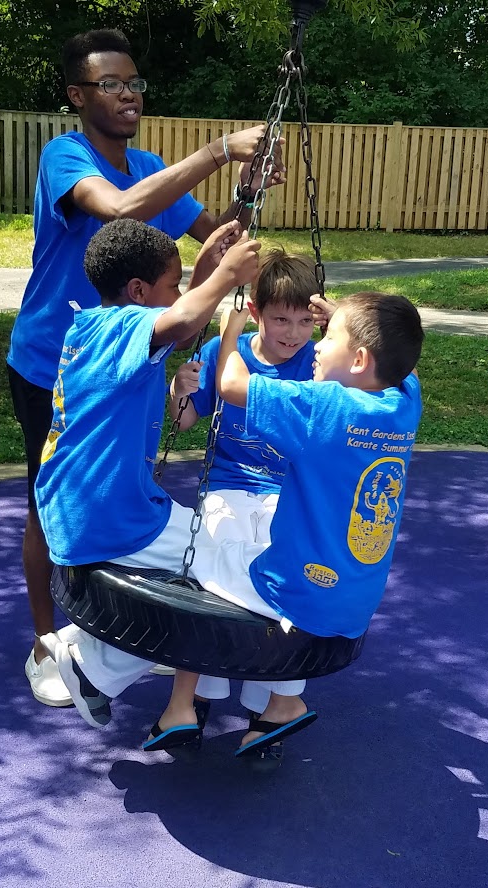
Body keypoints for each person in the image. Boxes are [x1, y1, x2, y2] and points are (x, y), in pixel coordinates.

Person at [12, 28, 281, 708]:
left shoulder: (151, 163)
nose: (128, 94)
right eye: (112, 84)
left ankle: (117, 626)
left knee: (121, 471)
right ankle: (48, 641)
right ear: (78, 94)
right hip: (55, 358)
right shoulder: (65, 157)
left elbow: (213, 236)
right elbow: (123, 210)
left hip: (134, 351)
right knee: (52, 498)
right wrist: (219, 149)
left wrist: (245, 192)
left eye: (134, 83)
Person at [50, 290, 425, 767]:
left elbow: (230, 383)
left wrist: (229, 327)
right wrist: (350, 322)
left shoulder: (326, 407)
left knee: (187, 557)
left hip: (291, 591)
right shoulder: (403, 404)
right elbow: (404, 369)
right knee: (226, 550)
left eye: (326, 335)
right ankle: (281, 703)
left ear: (357, 358)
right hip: (354, 602)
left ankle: (96, 671)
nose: (315, 344)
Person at [32, 215, 259, 721]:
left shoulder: (95, 327)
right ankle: (92, 664)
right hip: (110, 512)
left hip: (77, 501)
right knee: (218, 570)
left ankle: (98, 660)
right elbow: (178, 323)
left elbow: (175, 322)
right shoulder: (125, 327)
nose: (179, 293)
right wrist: (226, 279)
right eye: (171, 284)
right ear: (138, 290)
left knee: (193, 568)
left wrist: (202, 272)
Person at [167, 248, 323, 717]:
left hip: (286, 492)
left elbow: (386, 373)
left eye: (303, 321)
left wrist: (338, 323)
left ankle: (268, 697)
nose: (292, 334)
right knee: (213, 569)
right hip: (228, 486)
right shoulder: (223, 352)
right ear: (253, 313)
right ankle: (205, 687)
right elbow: (186, 422)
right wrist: (179, 390)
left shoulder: (320, 359)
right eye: (280, 320)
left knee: (284, 571)